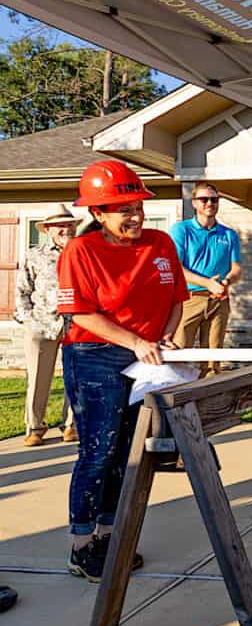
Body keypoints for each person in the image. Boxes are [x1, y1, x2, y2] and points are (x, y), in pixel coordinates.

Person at [58, 160, 188, 582]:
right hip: (95, 355)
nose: (134, 216)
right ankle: (82, 545)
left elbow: (175, 301)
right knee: (98, 451)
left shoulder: (161, 243)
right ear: (97, 214)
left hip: (146, 357)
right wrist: (135, 341)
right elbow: (80, 313)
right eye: (122, 209)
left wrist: (166, 337)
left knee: (128, 452)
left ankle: (110, 535)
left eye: (137, 206)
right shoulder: (80, 251)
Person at [16, 205, 79, 447]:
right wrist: (27, 319)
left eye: (69, 224)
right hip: (41, 324)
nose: (66, 229)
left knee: (75, 377)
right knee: (38, 378)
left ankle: (71, 425)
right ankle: (34, 427)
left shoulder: (83, 252)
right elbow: (23, 289)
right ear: (49, 230)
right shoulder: (35, 255)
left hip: (77, 324)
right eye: (60, 225)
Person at [169, 183, 242, 377]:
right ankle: (172, 401)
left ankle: (208, 405)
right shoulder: (181, 230)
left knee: (212, 360)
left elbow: (236, 269)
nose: (210, 203)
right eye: (204, 199)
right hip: (189, 299)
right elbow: (176, 268)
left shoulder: (229, 234)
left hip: (219, 300)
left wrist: (225, 282)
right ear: (194, 203)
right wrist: (207, 283)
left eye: (214, 199)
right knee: (177, 352)